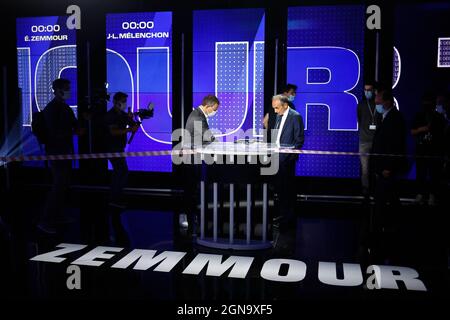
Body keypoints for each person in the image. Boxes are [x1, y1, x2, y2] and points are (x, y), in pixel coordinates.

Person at [38, 78, 82, 233]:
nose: (69, 91)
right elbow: (54, 133)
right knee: (58, 186)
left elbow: (75, 124)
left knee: (64, 185)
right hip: (56, 152)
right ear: (57, 90)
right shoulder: (51, 109)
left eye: (69, 87)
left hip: (65, 151)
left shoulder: (65, 107)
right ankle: (46, 221)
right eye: (66, 88)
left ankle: (58, 216)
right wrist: (72, 131)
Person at [181, 95, 220, 236]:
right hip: (191, 158)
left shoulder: (198, 114)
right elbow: (206, 135)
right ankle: (190, 221)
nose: (215, 112)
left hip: (193, 156)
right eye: (215, 109)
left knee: (192, 189)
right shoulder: (197, 116)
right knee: (191, 189)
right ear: (209, 106)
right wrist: (216, 139)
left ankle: (192, 217)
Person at [270, 94, 304, 252]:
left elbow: (299, 139)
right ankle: (281, 216)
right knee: (280, 189)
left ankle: (288, 219)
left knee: (288, 189)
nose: (275, 111)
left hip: (287, 160)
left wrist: (289, 158)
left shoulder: (295, 117)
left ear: (284, 105)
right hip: (276, 157)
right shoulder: (278, 116)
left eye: (277, 107)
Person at [371, 89, 406, 239]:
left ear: (387, 101)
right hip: (382, 167)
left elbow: (395, 145)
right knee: (388, 197)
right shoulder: (384, 117)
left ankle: (386, 230)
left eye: (378, 98)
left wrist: (388, 167)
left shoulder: (395, 118)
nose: (376, 101)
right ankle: (388, 227)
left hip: (387, 167)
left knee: (386, 198)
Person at [104, 92, 139, 208]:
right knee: (120, 171)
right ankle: (114, 199)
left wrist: (134, 120)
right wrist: (129, 130)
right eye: (123, 101)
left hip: (119, 147)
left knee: (120, 172)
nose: (124, 104)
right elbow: (113, 132)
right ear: (115, 102)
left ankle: (116, 198)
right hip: (112, 148)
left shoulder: (123, 115)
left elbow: (133, 125)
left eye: (125, 101)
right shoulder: (111, 115)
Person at [411, 93, 447, 206]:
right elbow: (412, 132)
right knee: (420, 173)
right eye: (425, 103)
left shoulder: (439, 117)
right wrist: (422, 129)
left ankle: (432, 195)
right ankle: (420, 194)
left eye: (430, 103)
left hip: (434, 151)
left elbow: (443, 135)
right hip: (421, 150)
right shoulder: (419, 115)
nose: (427, 105)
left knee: (434, 174)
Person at [357, 82, 377, 199]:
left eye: (369, 90)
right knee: (365, 169)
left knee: (376, 168)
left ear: (374, 91)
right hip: (364, 141)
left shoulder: (378, 104)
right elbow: (359, 120)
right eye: (365, 90)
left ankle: (376, 190)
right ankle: (365, 191)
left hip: (377, 142)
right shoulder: (361, 105)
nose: (367, 92)